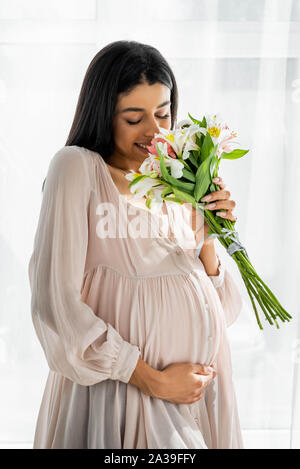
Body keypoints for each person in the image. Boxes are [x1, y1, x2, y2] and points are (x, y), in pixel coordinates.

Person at [28, 40, 243, 449]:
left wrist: (209, 239)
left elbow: (225, 311)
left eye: (163, 113)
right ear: (103, 114)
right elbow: (55, 303)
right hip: (124, 394)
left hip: (197, 399)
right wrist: (155, 381)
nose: (156, 131)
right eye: (134, 117)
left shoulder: (175, 180)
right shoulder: (77, 169)